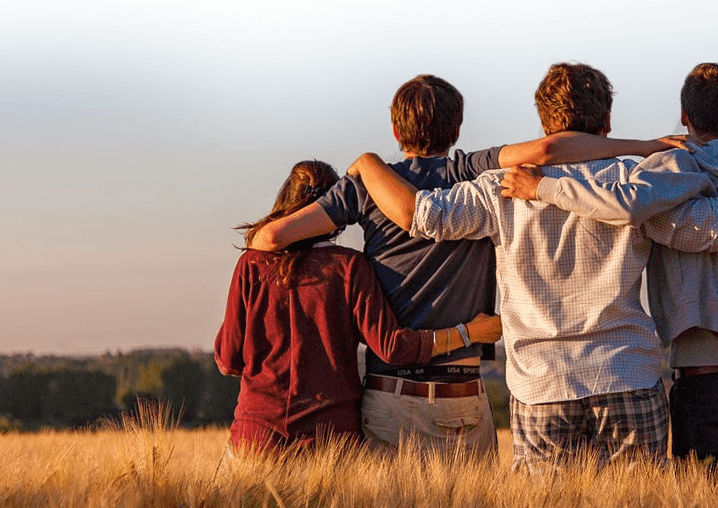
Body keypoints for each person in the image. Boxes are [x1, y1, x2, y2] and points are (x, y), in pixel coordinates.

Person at [349, 63, 718, 471]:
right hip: (626, 373)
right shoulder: (636, 183)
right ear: (607, 123)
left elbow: (422, 216)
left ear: (543, 123)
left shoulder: (498, 187)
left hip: (541, 384)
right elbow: (708, 232)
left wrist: (367, 163)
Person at [245, 74, 683, 457]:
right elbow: (551, 149)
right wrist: (648, 145)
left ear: (396, 130)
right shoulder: (472, 171)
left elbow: (270, 239)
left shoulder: (366, 186)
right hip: (464, 392)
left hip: (390, 392)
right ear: (457, 129)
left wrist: (363, 170)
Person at [513, 63, 718, 472]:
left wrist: (545, 187)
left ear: (684, 116)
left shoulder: (660, 186)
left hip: (702, 386)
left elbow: (627, 206)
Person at [213, 160, 502, 457]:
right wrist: (469, 332)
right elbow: (392, 347)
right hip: (330, 441)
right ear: (334, 213)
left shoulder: (251, 265)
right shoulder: (350, 267)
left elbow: (228, 360)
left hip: (255, 436)